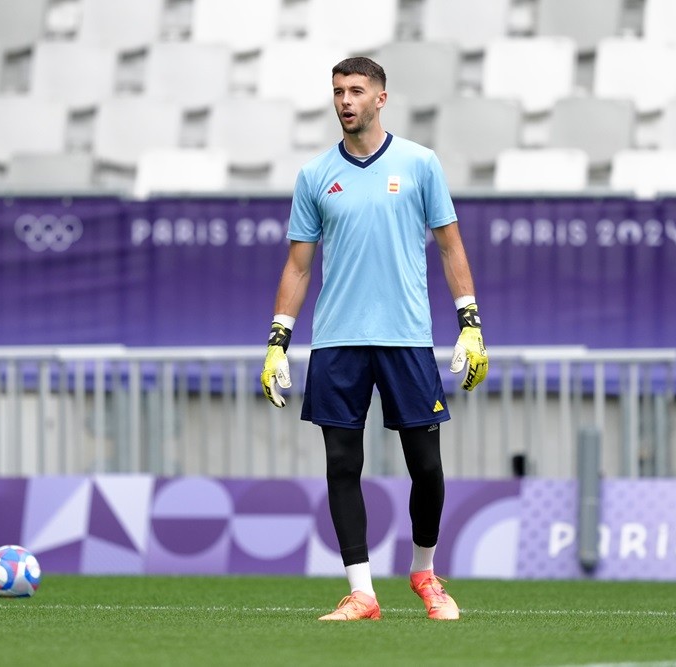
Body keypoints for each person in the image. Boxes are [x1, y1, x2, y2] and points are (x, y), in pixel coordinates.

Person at [260, 56, 488, 622]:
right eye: (338, 91)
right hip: (338, 339)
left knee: (426, 466)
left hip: (406, 337)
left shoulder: (420, 163)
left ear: (381, 97)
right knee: (342, 462)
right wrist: (277, 340)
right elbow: (297, 265)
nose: (345, 101)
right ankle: (362, 592)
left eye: (356, 91)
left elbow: (451, 245)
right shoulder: (314, 175)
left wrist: (471, 323)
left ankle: (425, 573)